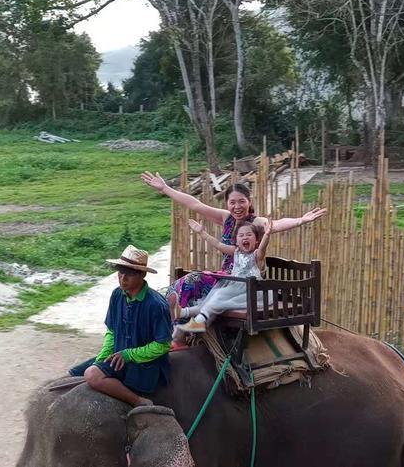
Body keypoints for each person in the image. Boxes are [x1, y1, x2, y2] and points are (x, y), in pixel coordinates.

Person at [140, 172, 326, 320]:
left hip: (242, 281)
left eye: (242, 201)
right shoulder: (226, 217)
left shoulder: (256, 222)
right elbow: (195, 204)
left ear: (249, 202)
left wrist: (301, 220)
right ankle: (162, 310)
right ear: (227, 204)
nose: (237, 206)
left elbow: (276, 224)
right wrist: (165, 188)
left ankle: (178, 323)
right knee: (188, 281)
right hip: (225, 276)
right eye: (232, 202)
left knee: (192, 280)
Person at [69, 245, 172, 407]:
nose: (122, 278)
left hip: (143, 363)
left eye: (129, 274)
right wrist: (103, 356)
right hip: (118, 354)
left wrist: (128, 355)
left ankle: (139, 401)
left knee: (92, 375)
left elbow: (163, 345)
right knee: (73, 375)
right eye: (120, 272)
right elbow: (111, 331)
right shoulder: (117, 295)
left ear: (142, 274)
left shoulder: (156, 305)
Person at [177, 218, 273, 333]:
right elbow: (218, 244)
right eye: (241, 235)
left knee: (219, 296)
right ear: (236, 241)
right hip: (235, 287)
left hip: (251, 290)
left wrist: (267, 235)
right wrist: (202, 233)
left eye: (249, 235)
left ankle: (198, 322)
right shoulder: (235, 251)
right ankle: (185, 313)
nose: (245, 237)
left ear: (256, 240)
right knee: (213, 298)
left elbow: (263, 248)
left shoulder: (257, 255)